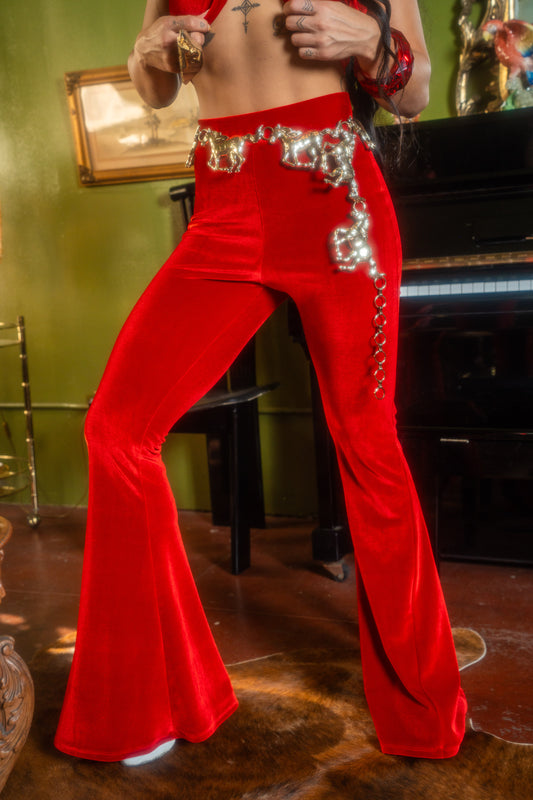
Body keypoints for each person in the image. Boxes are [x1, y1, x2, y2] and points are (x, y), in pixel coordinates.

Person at [54, 0, 467, 765]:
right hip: (224, 208)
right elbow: (155, 89)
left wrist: (374, 41)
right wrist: (149, 47)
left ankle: (424, 713)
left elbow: (414, 92)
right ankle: (158, 698)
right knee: (116, 428)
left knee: (369, 449)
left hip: (334, 200)